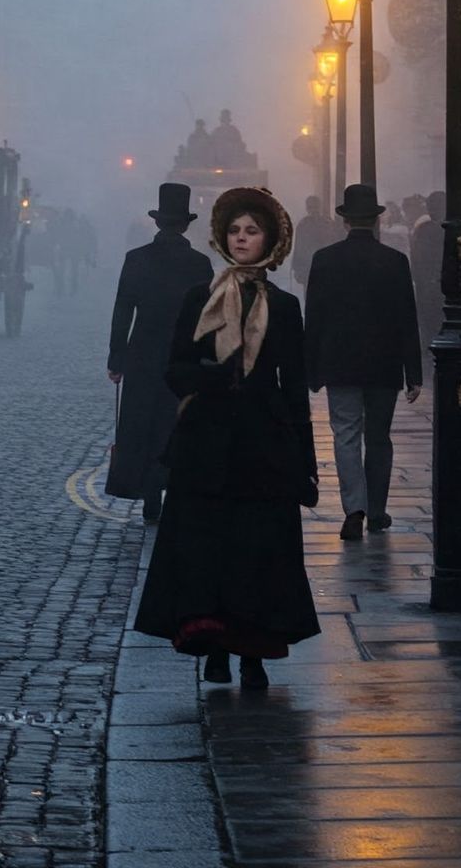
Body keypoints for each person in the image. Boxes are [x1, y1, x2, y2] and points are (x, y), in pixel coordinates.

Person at [134, 186, 319, 690]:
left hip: (263, 444)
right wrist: (209, 378)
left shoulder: (283, 306)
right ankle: (214, 650)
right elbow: (175, 368)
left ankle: (252, 655)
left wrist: (306, 461)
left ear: (269, 241)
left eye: (251, 232)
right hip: (207, 442)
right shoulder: (202, 298)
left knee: (257, 552)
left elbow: (295, 385)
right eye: (235, 231)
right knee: (207, 551)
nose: (242, 239)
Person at [304, 184, 423, 541]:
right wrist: (413, 372)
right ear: (375, 221)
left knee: (345, 435)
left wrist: (311, 368)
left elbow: (315, 318)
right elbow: (407, 318)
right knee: (379, 437)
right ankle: (377, 509)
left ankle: (353, 508)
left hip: (340, 362)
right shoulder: (394, 261)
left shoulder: (324, 259)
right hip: (383, 365)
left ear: (345, 221)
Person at [106, 183, 214, 524]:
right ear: (185, 225)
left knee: (143, 423)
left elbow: (123, 310)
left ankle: (149, 495)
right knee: (178, 423)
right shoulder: (199, 264)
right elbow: (207, 317)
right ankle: (176, 489)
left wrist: (116, 359)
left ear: (158, 222)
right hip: (184, 354)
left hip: (143, 351)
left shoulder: (136, 259)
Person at [409, 190, 447, 340]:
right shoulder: (446, 230)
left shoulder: (422, 230)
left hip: (426, 286)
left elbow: (416, 260)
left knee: (428, 325)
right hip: (439, 284)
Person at [290, 196, 338, 288]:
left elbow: (334, 242)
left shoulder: (327, 223)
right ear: (307, 208)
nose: (313, 210)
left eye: (315, 207)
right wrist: (297, 267)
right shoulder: (303, 225)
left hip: (325, 266)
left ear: (319, 207)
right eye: (310, 207)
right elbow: (299, 247)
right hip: (307, 268)